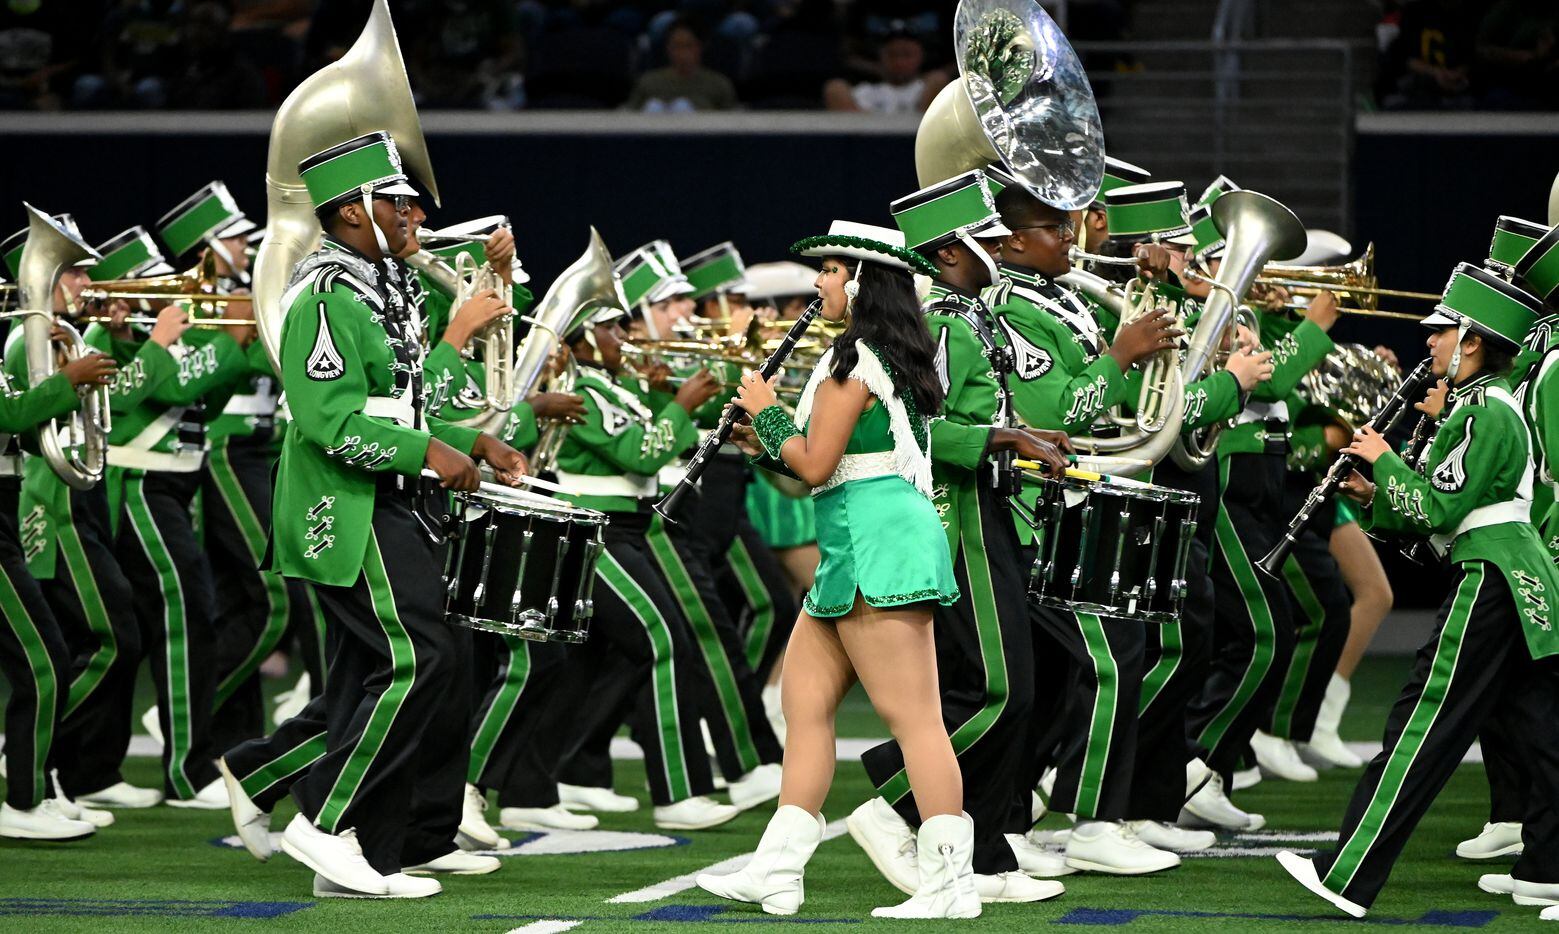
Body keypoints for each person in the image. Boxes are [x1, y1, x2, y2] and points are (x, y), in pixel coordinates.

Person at [268, 131, 528, 899]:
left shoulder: (379, 286)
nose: (416, 210)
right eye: (396, 200)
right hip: (347, 505)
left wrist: (465, 439)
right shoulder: (324, 296)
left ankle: (373, 852)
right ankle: (321, 824)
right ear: (351, 212)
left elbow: (401, 405)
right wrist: (427, 453)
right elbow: (329, 422)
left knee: (398, 670)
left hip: (392, 499)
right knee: (421, 657)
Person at [698, 220, 972, 919]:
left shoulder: (853, 362)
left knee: (914, 721)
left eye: (827, 270)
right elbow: (817, 472)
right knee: (805, 707)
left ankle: (950, 884)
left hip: (875, 541)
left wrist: (763, 414)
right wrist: (763, 441)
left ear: (858, 280)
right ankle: (777, 869)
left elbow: (814, 464)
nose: (817, 283)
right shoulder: (876, 353)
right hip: (855, 537)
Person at [1279, 262, 1559, 919]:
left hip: (1491, 576)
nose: (1427, 344)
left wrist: (1383, 458)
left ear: (1471, 338)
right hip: (1519, 581)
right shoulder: (1483, 406)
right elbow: (1432, 508)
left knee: (1420, 725)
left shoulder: (1484, 410)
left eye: (1439, 332)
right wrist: (1376, 493)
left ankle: (1345, 874)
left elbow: (1435, 507)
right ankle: (1548, 867)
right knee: (1538, 732)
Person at [852, 172, 1073, 902]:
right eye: (988, 240)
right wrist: (1002, 435)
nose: (1002, 248)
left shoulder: (966, 313)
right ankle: (892, 794)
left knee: (1020, 687)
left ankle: (981, 857)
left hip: (991, 508)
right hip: (957, 516)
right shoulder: (942, 320)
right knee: (996, 690)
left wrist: (1019, 435)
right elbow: (917, 427)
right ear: (948, 254)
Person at [0, 210, 118, 842]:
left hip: (5, 506)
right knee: (42, 660)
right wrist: (67, 383)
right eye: (65, 269)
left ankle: (33, 783)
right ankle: (23, 796)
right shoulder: (22, 340)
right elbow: (8, 414)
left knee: (41, 659)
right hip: (15, 510)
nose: (76, 281)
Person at [823, 30, 947, 115]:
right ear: (880, 58)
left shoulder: (927, 89)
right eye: (892, 55)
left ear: (921, 57)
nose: (899, 61)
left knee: (940, 79)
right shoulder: (865, 92)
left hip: (918, 142)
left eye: (907, 55)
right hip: (870, 147)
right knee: (835, 87)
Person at [625, 18, 737, 112]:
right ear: (668, 48)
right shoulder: (648, 83)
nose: (682, 53)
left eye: (688, 46)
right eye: (676, 46)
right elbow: (629, 116)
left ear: (700, 47)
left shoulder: (719, 84)